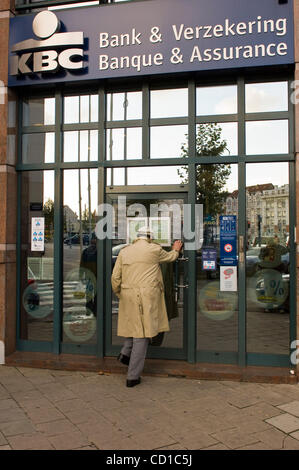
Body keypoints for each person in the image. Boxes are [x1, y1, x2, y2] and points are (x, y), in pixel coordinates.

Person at [111, 226, 183, 387]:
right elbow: (171, 258)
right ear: (150, 237)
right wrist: (176, 249)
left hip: (128, 294)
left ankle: (124, 354)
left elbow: (115, 277)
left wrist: (120, 293)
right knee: (142, 336)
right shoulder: (154, 249)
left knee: (134, 326)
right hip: (146, 296)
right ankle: (132, 376)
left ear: (137, 237)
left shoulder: (124, 251)